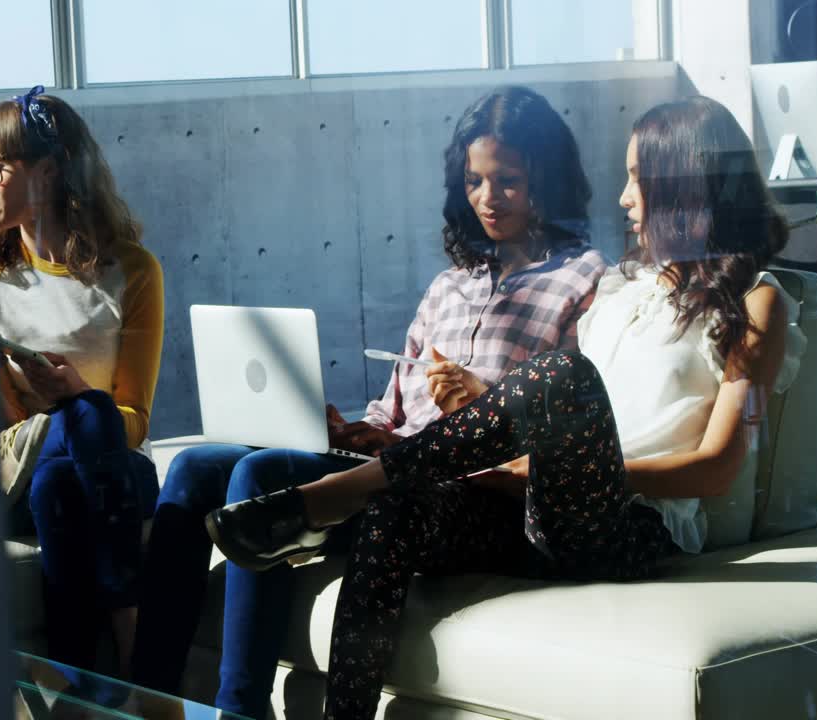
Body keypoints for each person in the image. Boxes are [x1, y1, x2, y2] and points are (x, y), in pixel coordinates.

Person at [208, 96, 801, 720]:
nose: (625, 198)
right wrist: (516, 460)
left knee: (565, 372)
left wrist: (560, 469)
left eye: (636, 178)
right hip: (545, 508)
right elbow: (551, 418)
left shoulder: (757, 302)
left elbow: (717, 467)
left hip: (633, 528)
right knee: (396, 510)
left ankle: (335, 492)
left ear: (684, 184)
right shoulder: (626, 291)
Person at [132, 86, 608, 717]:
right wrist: (355, 431)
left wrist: (482, 397)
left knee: (258, 474)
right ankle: (146, 695)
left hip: (460, 490)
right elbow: (393, 410)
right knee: (194, 469)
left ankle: (237, 710)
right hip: (385, 464)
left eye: (508, 181)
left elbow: (571, 424)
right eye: (473, 181)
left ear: (546, 179)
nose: (487, 199)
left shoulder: (583, 280)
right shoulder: (448, 287)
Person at [0, 87, 164, 678]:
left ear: (48, 171)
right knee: (68, 452)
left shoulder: (132, 272)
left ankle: (75, 683)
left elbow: (133, 420)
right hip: (9, 468)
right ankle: (131, 635)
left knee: (69, 463)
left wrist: (74, 398)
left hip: (97, 463)